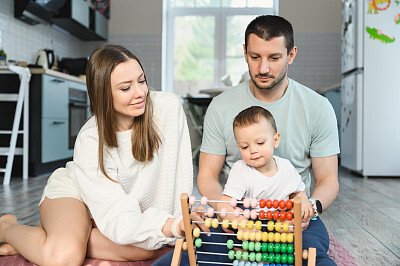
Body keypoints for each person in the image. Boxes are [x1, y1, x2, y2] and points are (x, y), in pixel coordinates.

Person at [0, 44, 195, 265]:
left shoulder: (167, 108)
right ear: (103, 93)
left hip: (115, 210)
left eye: (141, 81)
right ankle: (9, 228)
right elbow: (116, 213)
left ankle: (68, 233)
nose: (140, 93)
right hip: (77, 194)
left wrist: (177, 221)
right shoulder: (91, 138)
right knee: (65, 258)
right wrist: (167, 225)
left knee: (147, 248)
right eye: (125, 88)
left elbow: (177, 178)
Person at [197, 15, 339, 265]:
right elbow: (207, 175)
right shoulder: (220, 107)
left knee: (314, 257)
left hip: (291, 217)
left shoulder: (318, 108)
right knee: (198, 252)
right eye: (255, 57)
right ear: (244, 52)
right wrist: (225, 211)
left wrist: (310, 208)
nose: (263, 68)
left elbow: (328, 179)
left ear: (291, 54)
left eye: (274, 58)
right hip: (238, 216)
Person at [221, 106, 313, 223]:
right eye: (245, 147)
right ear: (239, 147)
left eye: (260, 143)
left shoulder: (286, 167)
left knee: (317, 235)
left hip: (282, 220)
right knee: (215, 226)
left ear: (275, 140)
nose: (253, 150)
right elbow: (224, 204)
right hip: (250, 220)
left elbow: (299, 191)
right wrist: (242, 225)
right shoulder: (241, 170)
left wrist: (302, 199)